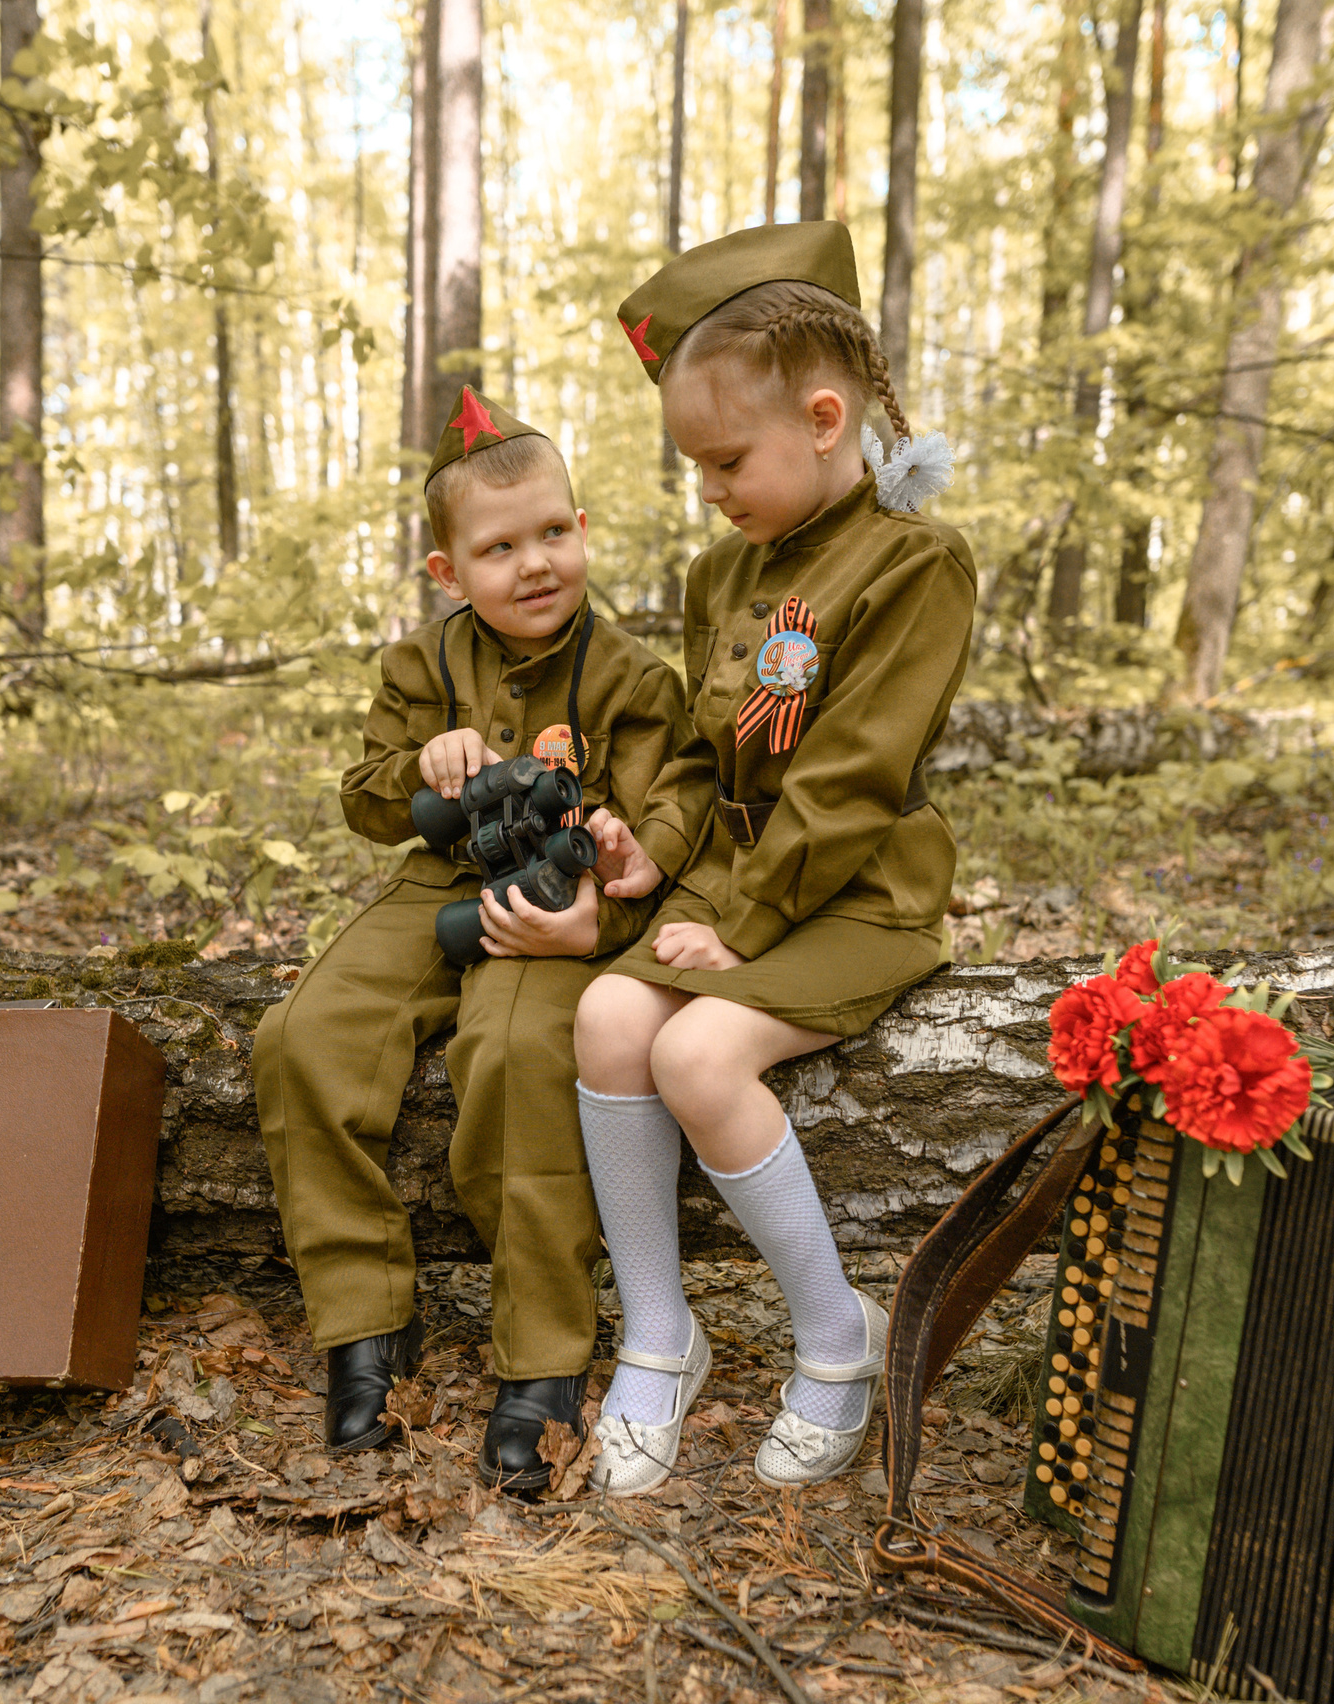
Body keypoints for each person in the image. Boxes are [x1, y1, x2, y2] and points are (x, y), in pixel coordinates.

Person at [576, 222, 974, 1495]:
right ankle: (659, 1332)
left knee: (695, 1051)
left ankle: (835, 1334)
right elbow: (702, 759)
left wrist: (738, 925)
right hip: (736, 885)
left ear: (820, 416)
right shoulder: (719, 575)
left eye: (725, 460)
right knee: (602, 1017)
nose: (711, 490)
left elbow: (853, 776)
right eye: (696, 468)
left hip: (853, 892)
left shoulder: (914, 565)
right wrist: (658, 854)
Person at [254, 388, 698, 1493]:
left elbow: (662, 836)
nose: (534, 564)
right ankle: (365, 1325)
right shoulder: (423, 666)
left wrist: (603, 901)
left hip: (556, 913)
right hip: (436, 886)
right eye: (498, 549)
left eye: (553, 533)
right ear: (448, 572)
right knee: (304, 1038)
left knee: (516, 1063)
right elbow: (361, 801)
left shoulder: (634, 678)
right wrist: (423, 767)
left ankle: (541, 1364)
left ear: (584, 530)